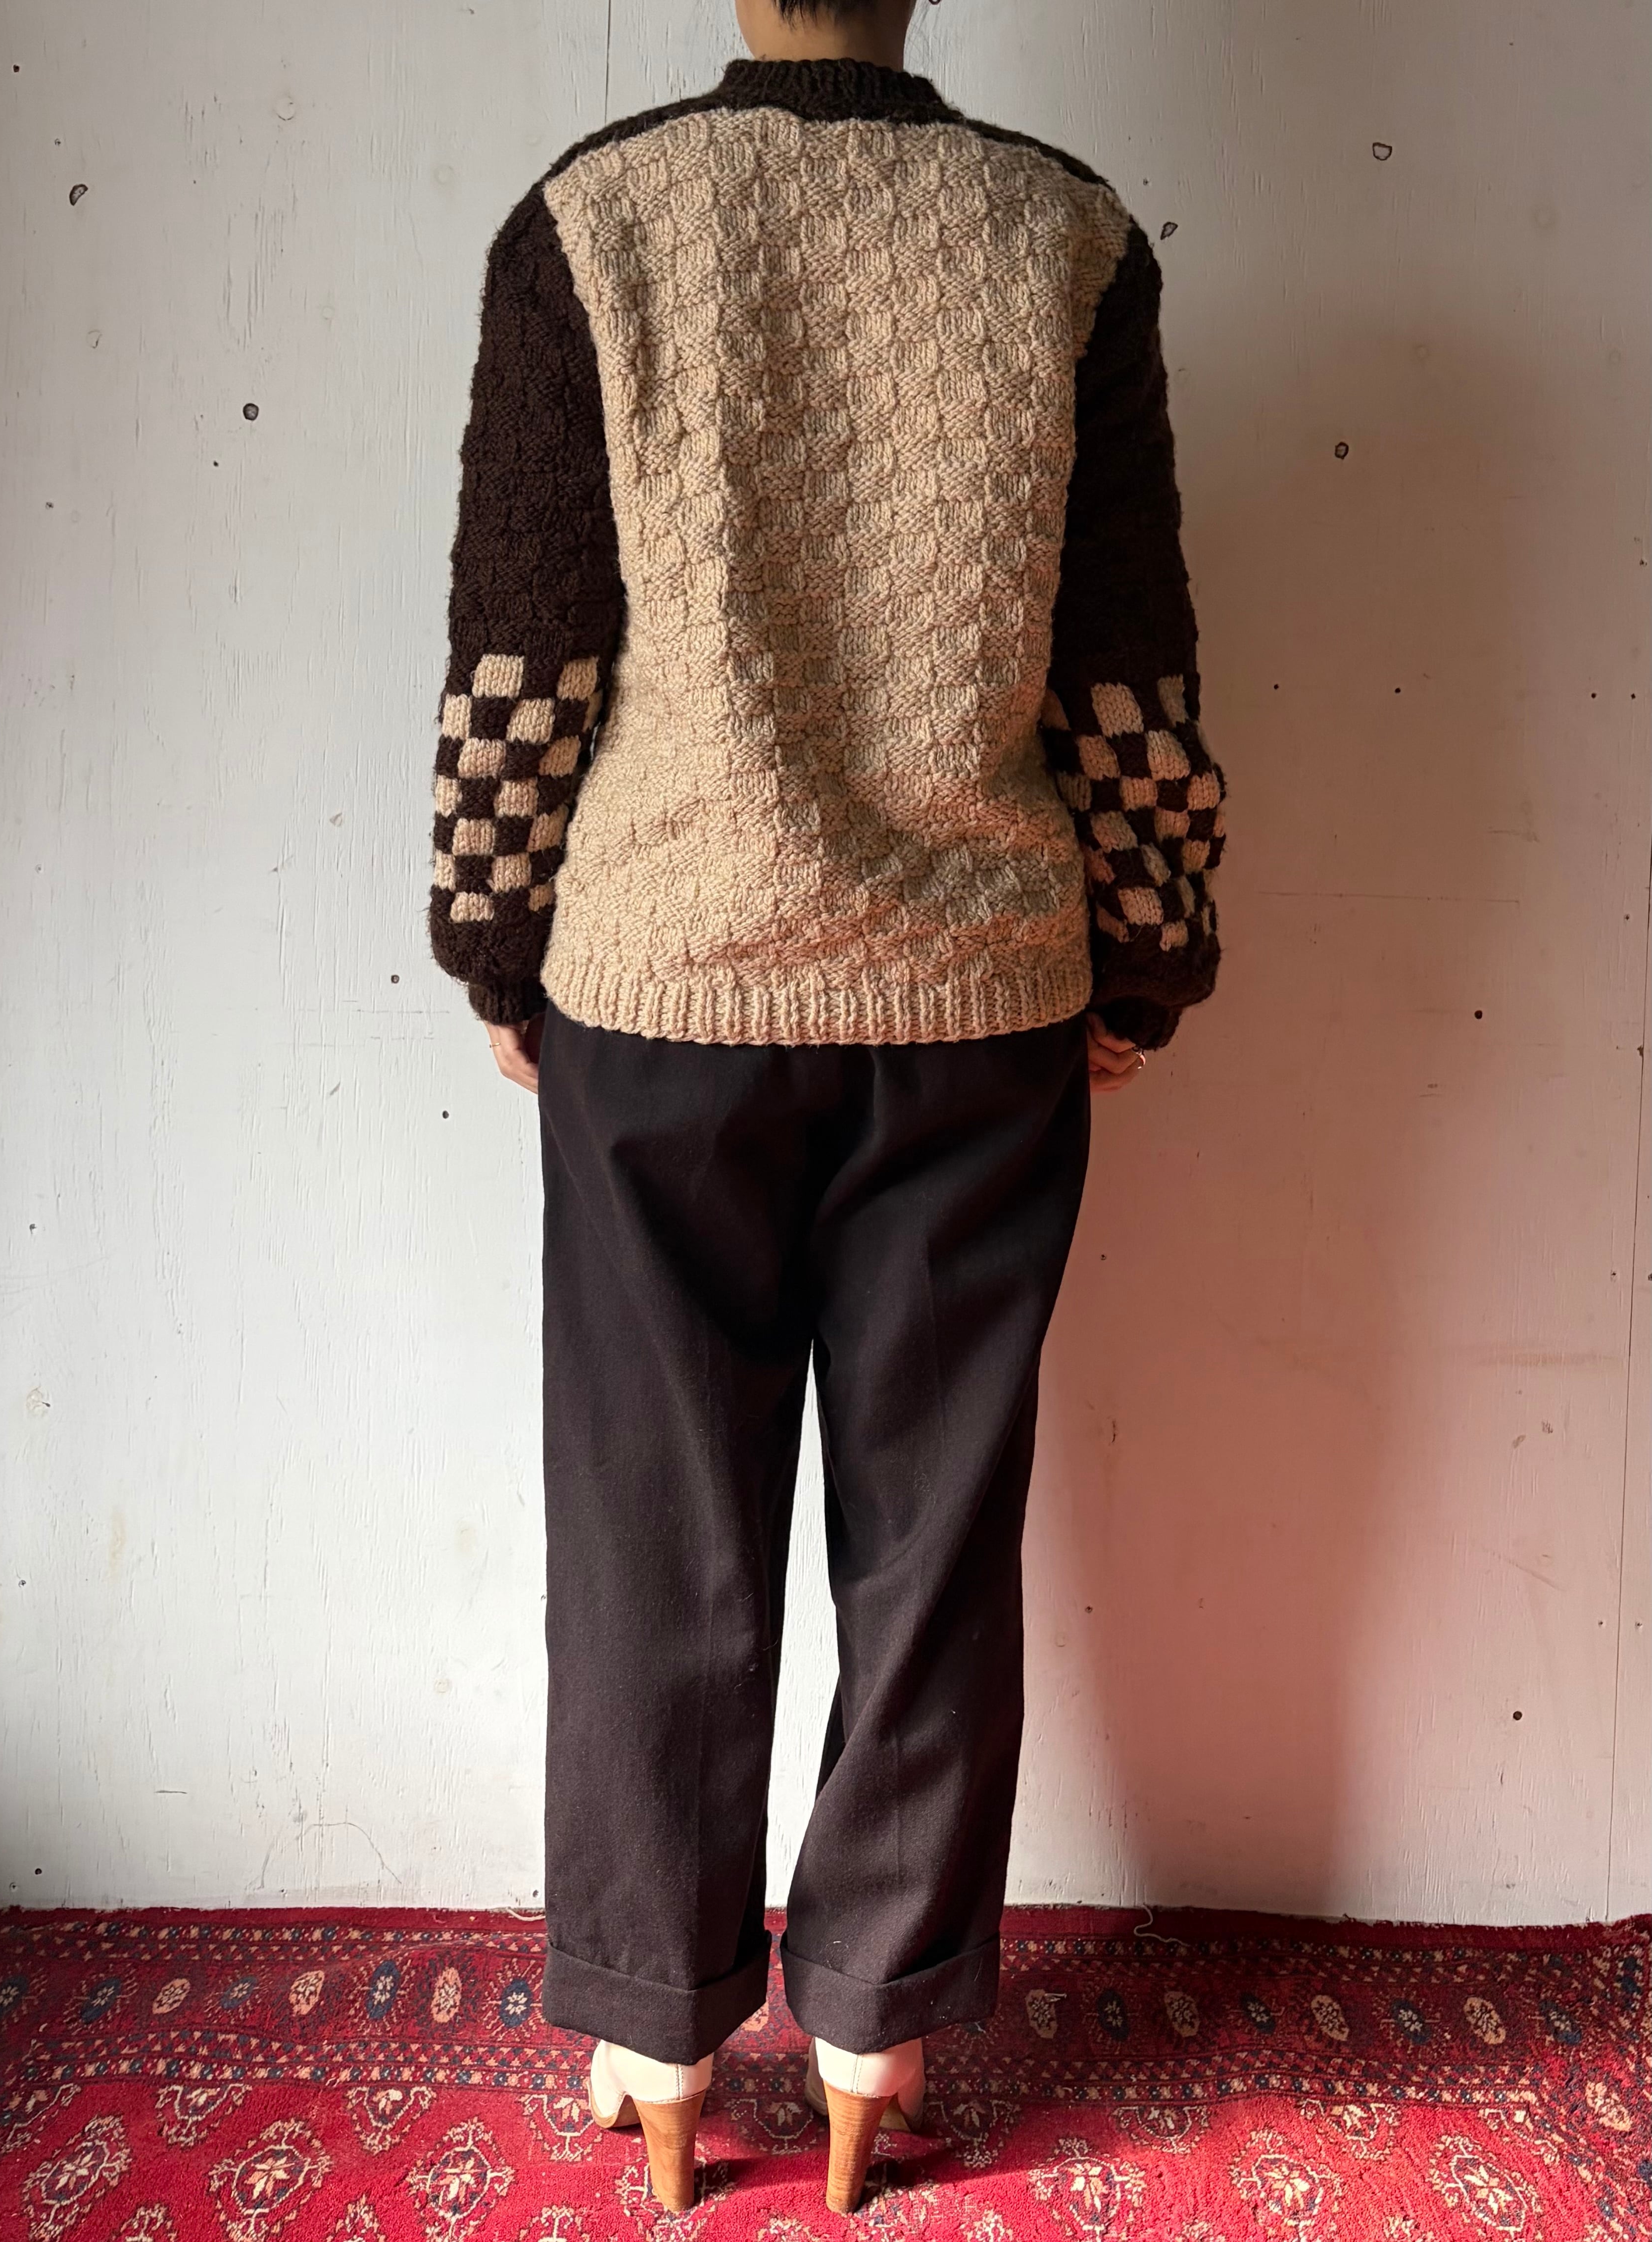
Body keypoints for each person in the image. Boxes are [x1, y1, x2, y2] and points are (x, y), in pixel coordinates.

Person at [427, 0, 1226, 2213]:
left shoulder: (596, 221)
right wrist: (1149, 948)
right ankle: (875, 2027)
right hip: (976, 1001)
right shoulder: (1063, 234)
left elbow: (523, 637)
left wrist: (494, 935)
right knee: (932, 1532)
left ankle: (655, 2038)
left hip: (661, 999)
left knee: (653, 1523)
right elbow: (1128, 656)